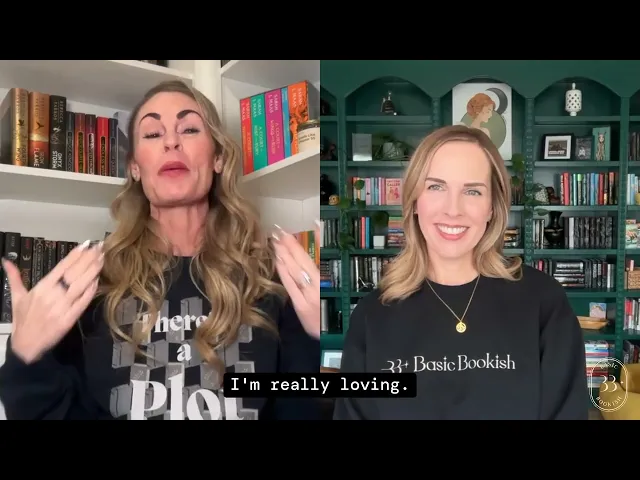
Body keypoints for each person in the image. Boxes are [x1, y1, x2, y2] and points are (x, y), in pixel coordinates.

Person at [0, 80, 321, 420]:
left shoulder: (269, 279)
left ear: (218, 158)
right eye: (153, 134)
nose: (171, 142)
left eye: (190, 129)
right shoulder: (90, 281)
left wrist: (319, 338)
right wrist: (25, 359)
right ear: (135, 167)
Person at [333, 125, 588, 420]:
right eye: (436, 187)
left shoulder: (543, 301)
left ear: (492, 207)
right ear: (414, 201)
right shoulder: (373, 314)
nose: (453, 210)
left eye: (472, 191)